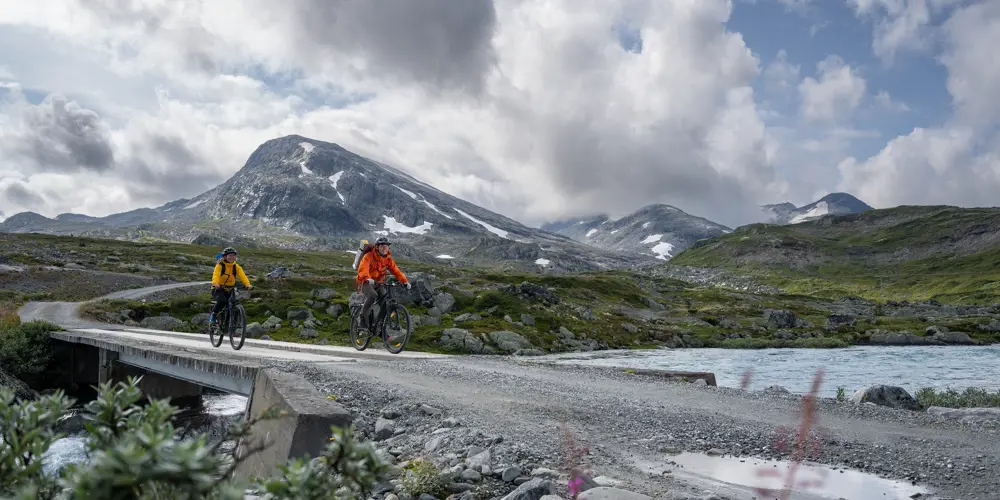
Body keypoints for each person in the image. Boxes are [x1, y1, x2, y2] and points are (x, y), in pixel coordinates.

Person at [355, 236, 410, 329]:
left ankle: (380, 327)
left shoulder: (388, 259)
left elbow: (396, 271)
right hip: (365, 281)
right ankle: (362, 319)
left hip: (378, 283)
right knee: (373, 296)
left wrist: (405, 281)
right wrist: (367, 278)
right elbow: (363, 268)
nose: (385, 248)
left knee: (386, 302)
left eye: (386, 246)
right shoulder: (369, 256)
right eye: (382, 246)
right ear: (377, 247)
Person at [210, 247, 253, 325]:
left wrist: (248, 284)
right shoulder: (220, 265)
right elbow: (216, 275)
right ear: (225, 256)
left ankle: (231, 326)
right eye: (230, 255)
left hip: (230, 289)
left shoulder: (236, 267)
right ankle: (214, 315)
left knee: (232, 305)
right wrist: (215, 283)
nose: (232, 257)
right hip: (219, 288)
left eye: (233, 255)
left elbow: (243, 276)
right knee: (222, 301)